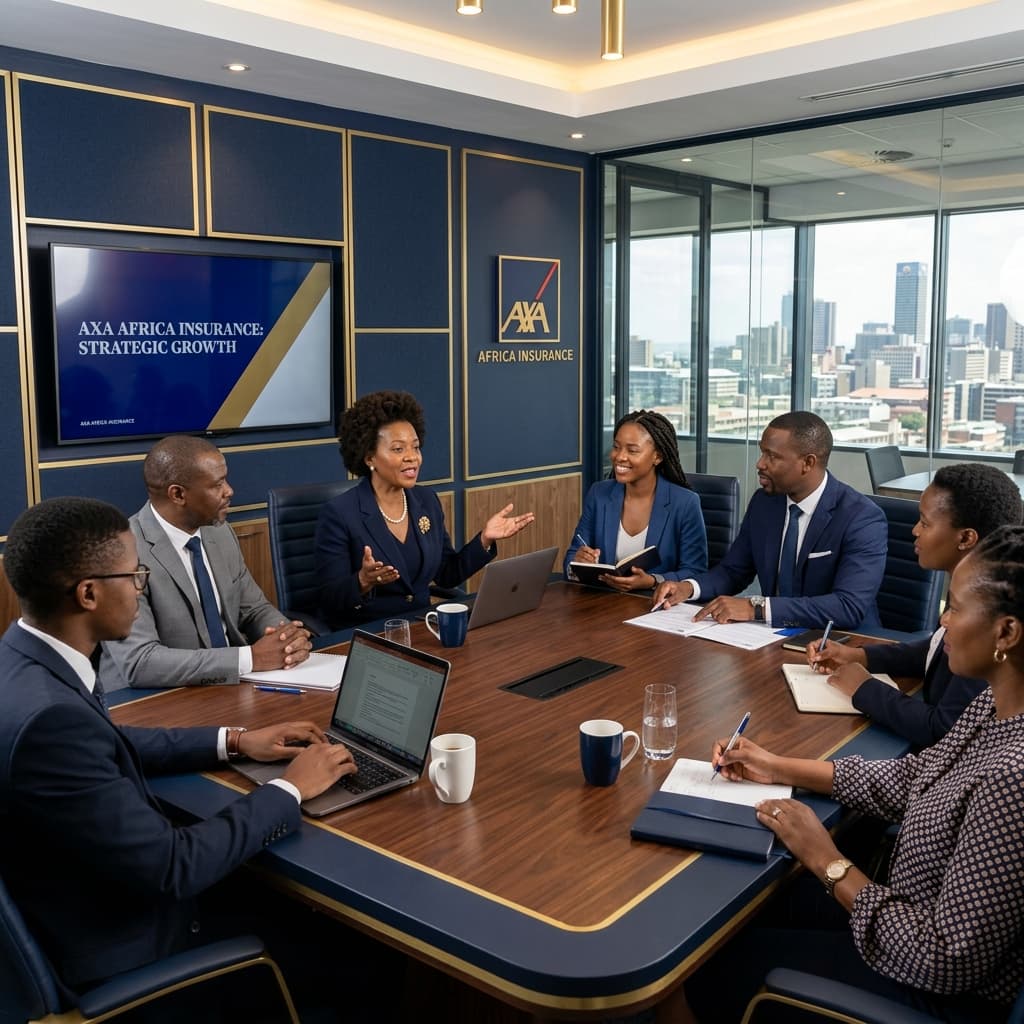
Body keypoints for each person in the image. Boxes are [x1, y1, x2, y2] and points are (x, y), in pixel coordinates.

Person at [0, 496, 356, 996]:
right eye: (134, 577)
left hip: (82, 898)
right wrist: (289, 789)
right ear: (88, 594)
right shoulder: (51, 721)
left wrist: (235, 741)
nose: (141, 586)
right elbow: (175, 867)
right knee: (346, 942)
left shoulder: (21, 659)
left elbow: (108, 740)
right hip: (128, 948)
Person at [685, 525, 1024, 1024]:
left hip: (929, 989)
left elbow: (943, 960)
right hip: (895, 907)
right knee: (728, 916)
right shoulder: (995, 707)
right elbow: (914, 779)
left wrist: (827, 860)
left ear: (1007, 633)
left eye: (954, 607)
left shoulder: (1012, 779)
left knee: (699, 970)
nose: (943, 621)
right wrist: (775, 765)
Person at [808, 462, 1022, 747]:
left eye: (925, 522)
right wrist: (859, 657)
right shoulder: (971, 593)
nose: (914, 530)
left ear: (966, 538)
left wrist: (864, 688)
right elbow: (935, 648)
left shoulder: (987, 619)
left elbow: (944, 730)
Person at [102, 435, 312, 688]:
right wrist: (250, 658)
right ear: (178, 494)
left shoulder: (218, 531)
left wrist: (287, 640)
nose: (229, 491)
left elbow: (254, 610)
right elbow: (140, 662)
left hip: (227, 685)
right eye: (217, 484)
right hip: (153, 699)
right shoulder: (121, 553)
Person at [316, 390, 535, 627]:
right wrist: (362, 581)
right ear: (369, 457)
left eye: (416, 447)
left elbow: (447, 575)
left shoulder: (426, 500)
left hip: (424, 628)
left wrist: (484, 540)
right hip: (371, 633)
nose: (413, 458)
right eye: (398, 449)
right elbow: (329, 599)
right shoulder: (340, 513)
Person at [652, 411, 887, 630]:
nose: (760, 464)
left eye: (772, 456)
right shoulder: (765, 503)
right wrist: (689, 588)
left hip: (840, 644)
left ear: (808, 463)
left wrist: (757, 608)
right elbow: (733, 571)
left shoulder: (861, 518)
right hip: (768, 637)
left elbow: (848, 606)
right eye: (762, 452)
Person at [563, 409, 708, 590]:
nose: (620, 457)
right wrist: (577, 562)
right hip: (604, 603)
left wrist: (654, 581)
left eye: (632, 450)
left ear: (658, 456)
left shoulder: (685, 503)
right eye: (616, 447)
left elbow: (695, 571)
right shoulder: (599, 494)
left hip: (656, 607)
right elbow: (571, 556)